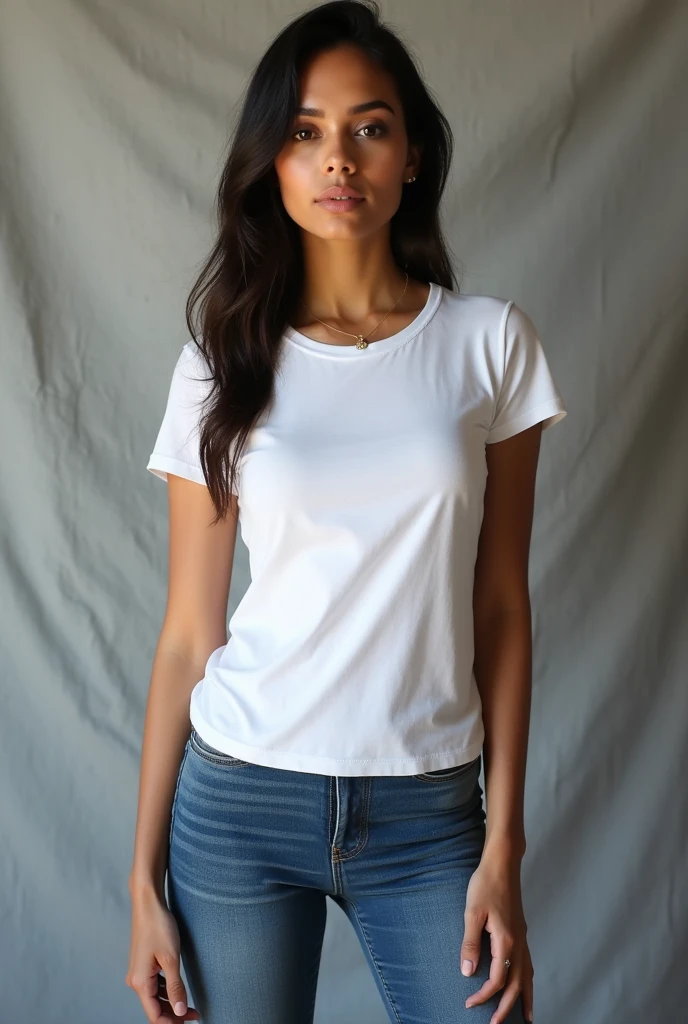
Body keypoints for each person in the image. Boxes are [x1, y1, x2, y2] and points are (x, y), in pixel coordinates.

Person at [126, 2, 567, 1022]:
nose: (338, 160)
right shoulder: (220, 365)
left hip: (428, 812)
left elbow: (500, 605)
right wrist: (139, 884)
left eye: (369, 127)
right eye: (304, 131)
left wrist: (503, 845)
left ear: (411, 154)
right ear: (270, 162)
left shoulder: (489, 345)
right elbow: (189, 635)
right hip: (240, 801)